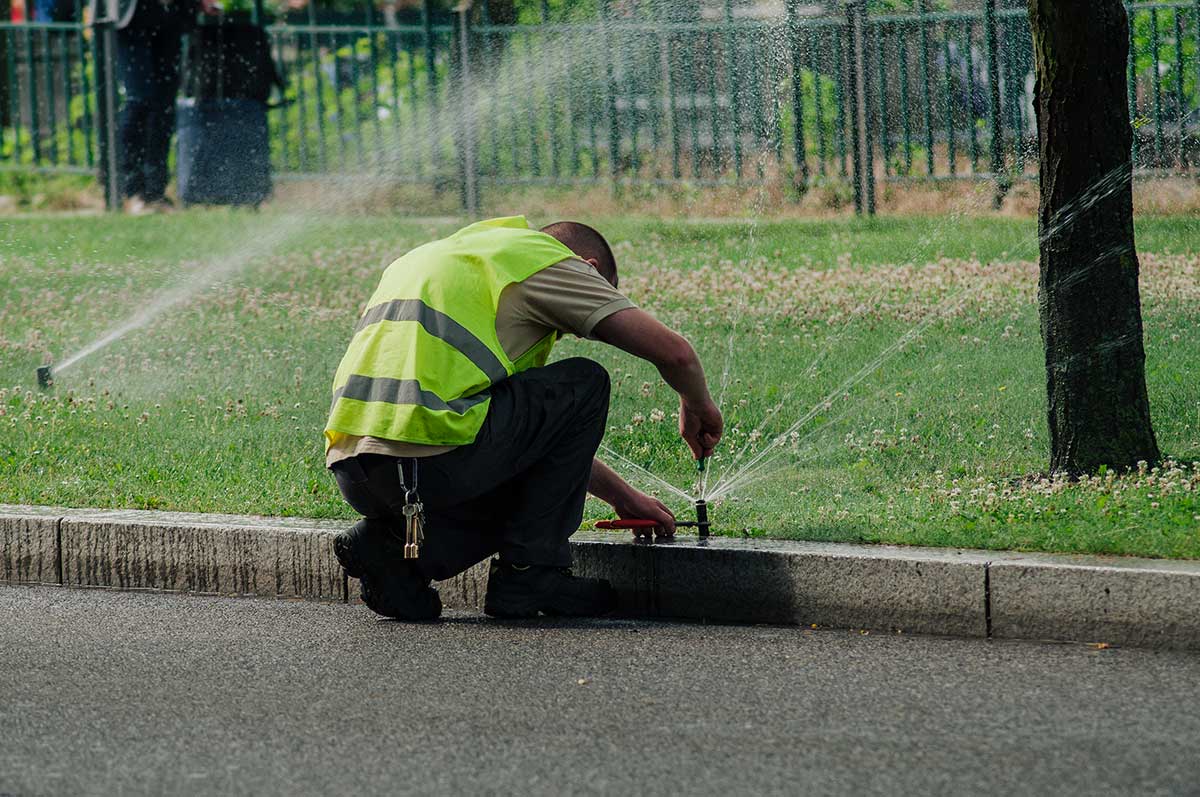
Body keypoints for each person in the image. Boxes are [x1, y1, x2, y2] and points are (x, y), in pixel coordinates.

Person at [324, 216, 723, 621]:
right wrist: (698, 405)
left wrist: (623, 497)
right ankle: (531, 573)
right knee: (586, 383)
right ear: (590, 270)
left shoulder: (458, 256)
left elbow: (530, 445)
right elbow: (676, 354)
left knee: (523, 465)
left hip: (356, 469)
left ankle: (392, 551)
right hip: (434, 460)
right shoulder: (545, 261)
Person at [89, 0, 215, 213]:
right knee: (140, 100)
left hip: (171, 15)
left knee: (163, 107)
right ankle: (130, 189)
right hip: (131, 17)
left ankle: (155, 191)